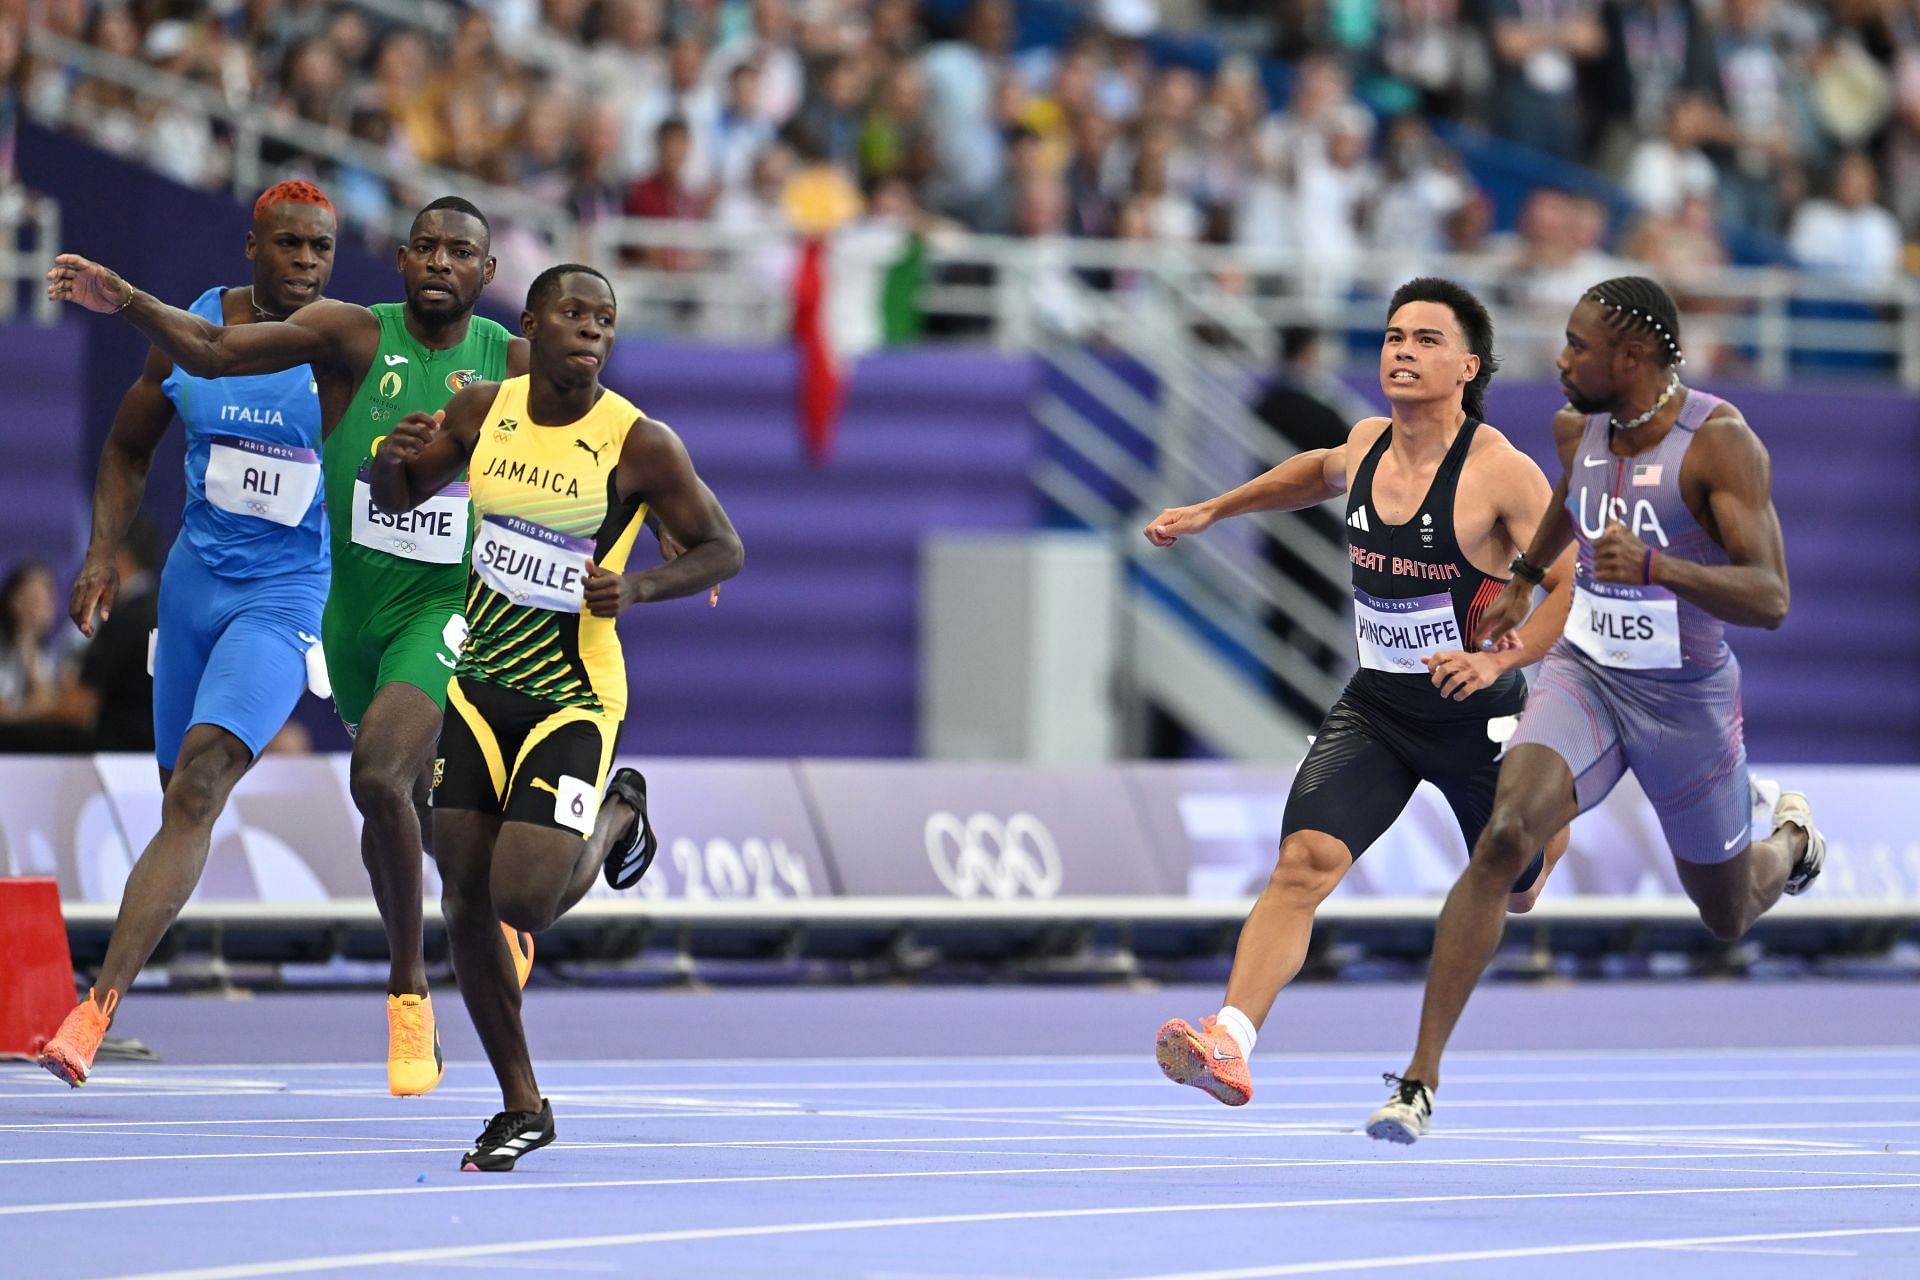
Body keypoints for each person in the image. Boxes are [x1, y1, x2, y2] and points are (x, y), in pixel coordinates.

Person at [43, 200, 659, 1096]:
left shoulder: (510, 364)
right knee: (423, 819)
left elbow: (606, 443)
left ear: (489, 275)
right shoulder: (347, 336)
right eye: (428, 248)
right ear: (401, 259)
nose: (442, 263)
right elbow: (212, 354)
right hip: (351, 610)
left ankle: (407, 993)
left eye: (463, 252)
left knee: (369, 776)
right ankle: (595, 837)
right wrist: (128, 297)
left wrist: (658, 548)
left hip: (444, 609)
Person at [1366, 276, 1825, 1145]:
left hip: (1686, 700)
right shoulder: (1578, 428)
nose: (1561, 358)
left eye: (1578, 346)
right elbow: (1572, 508)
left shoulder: (1721, 445)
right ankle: (1418, 1081)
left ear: (1635, 357)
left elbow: (1769, 598)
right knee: (1505, 838)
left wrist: (1658, 569)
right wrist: (1526, 581)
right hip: (1588, 676)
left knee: (1726, 915)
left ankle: (1792, 842)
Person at [1143, 278, 1573, 1108]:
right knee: (1303, 863)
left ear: (1467, 365)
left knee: (1518, 887)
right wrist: (1213, 509)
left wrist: (1495, 661)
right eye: (1392, 336)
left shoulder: (1502, 475)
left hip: (1477, 715)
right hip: (1378, 707)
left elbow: (1568, 585)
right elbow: (1315, 473)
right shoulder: (1369, 442)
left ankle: (1556, 820)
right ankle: (1228, 1041)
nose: (1402, 351)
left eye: (1425, 340)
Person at [371, 264, 742, 1171]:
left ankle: (620, 810)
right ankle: (521, 1104)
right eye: (575, 313)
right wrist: (392, 454)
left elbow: (724, 548)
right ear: (531, 324)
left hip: (574, 698)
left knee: (521, 899)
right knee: (459, 893)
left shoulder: (640, 442)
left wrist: (643, 584)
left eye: (606, 319)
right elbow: (397, 499)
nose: (593, 330)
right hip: (479, 685)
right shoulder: (481, 412)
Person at [34, 181, 340, 1086]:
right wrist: (100, 554)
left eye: (321, 250)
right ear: (252, 247)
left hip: (284, 595)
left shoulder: (346, 345)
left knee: (201, 783)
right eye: (288, 246)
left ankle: (93, 1010)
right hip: (193, 589)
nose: (306, 264)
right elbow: (131, 445)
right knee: (179, 795)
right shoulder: (196, 323)